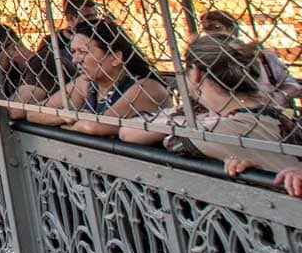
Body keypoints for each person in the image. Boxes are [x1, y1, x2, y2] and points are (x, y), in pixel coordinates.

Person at [120, 36, 291, 163]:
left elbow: (174, 143)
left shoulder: (221, 129)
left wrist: (185, 122)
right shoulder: (274, 114)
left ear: (195, 74)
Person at [11, 18, 170, 137]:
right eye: (73, 52)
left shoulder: (145, 87)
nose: (75, 60)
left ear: (116, 57)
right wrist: (66, 116)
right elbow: (33, 113)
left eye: (83, 52)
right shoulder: (87, 83)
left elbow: (95, 127)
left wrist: (70, 118)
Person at [10, 0, 98, 104]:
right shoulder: (51, 41)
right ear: (70, 18)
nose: (94, 21)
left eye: (95, 16)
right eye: (88, 17)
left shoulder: (98, 35)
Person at [201, 7, 302, 102]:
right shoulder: (203, 61)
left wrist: (279, 96)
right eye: (205, 29)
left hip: (266, 110)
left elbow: (292, 85)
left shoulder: (263, 57)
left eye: (216, 27)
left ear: (232, 29)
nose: (210, 33)